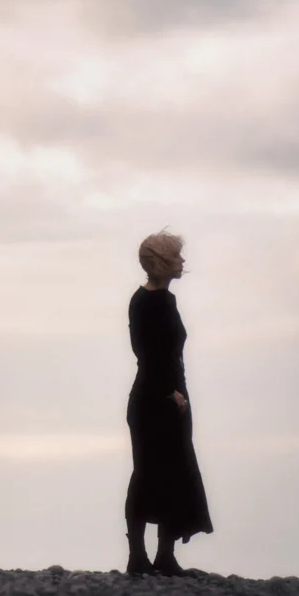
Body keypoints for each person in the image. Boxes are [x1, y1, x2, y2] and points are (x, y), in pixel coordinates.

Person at [124, 230, 213, 576]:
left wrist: (178, 394)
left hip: (175, 398)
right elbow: (145, 353)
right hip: (151, 401)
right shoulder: (143, 301)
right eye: (176, 256)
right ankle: (137, 556)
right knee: (147, 473)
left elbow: (171, 354)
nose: (183, 261)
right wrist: (168, 393)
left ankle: (165, 556)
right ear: (161, 261)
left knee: (176, 472)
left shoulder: (168, 301)